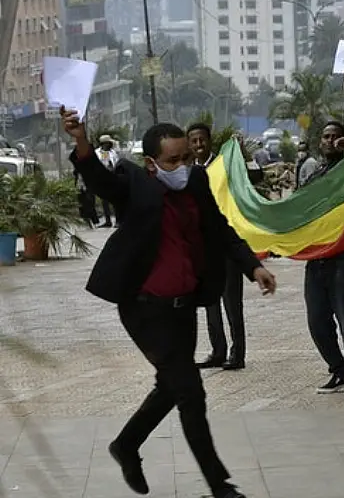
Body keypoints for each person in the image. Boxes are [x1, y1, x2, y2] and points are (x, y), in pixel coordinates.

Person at [62, 109, 277, 498]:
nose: (183, 166)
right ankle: (221, 486)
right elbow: (100, 181)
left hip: (184, 305)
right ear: (152, 163)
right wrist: (81, 140)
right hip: (145, 308)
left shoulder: (195, 181)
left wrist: (252, 266)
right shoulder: (134, 182)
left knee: (171, 386)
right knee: (191, 392)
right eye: (173, 160)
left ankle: (126, 445)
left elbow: (220, 228)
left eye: (187, 158)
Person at [299, 69, 344, 395]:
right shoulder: (314, 176)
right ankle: (338, 371)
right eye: (325, 136)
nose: (330, 140)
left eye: (335, 136)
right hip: (318, 260)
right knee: (318, 322)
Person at [187, 122, 248, 372]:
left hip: (227, 247)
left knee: (232, 302)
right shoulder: (188, 173)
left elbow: (249, 180)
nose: (199, 145)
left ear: (209, 141)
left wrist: (243, 155)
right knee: (210, 302)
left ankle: (238, 353)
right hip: (203, 249)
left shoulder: (226, 166)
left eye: (203, 140)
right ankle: (217, 350)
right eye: (194, 141)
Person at [95, 134, 119, 227]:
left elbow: (116, 162)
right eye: (108, 143)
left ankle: (118, 220)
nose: (109, 145)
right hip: (103, 179)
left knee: (115, 201)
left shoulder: (113, 152)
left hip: (113, 178)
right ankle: (108, 221)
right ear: (103, 144)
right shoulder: (98, 153)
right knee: (104, 201)